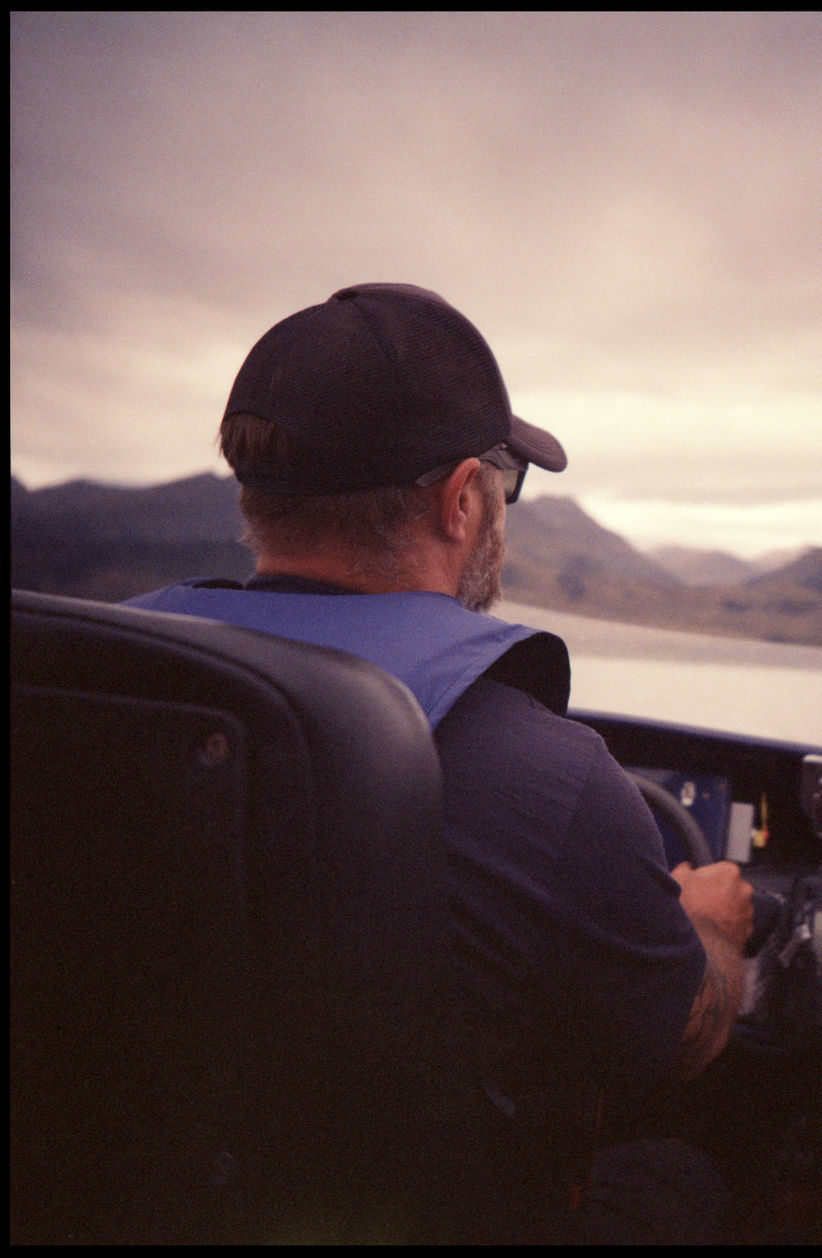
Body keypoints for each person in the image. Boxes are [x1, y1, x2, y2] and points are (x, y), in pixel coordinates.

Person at [124, 283, 753, 1243]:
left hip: (124, 1195)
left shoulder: (90, 686)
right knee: (680, 1175)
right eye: (504, 486)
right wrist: (711, 931)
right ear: (463, 502)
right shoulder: (555, 781)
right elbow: (683, 1039)